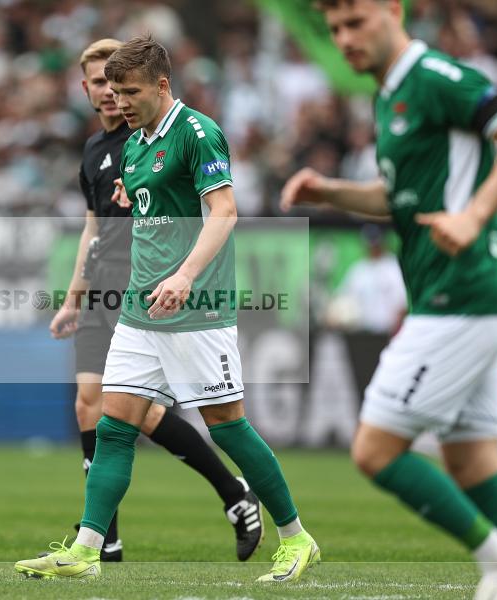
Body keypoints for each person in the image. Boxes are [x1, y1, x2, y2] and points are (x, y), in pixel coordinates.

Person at [280, 2, 497, 599]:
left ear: (393, 10)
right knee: (471, 464)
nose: (344, 39)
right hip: (467, 301)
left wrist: (475, 214)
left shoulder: (435, 78)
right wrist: (331, 191)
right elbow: (399, 199)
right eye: (335, 29)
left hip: (457, 297)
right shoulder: (390, 96)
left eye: (356, 22)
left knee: (374, 450)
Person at [16, 34, 320, 583]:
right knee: (113, 427)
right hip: (140, 307)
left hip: (196, 308)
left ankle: (296, 538)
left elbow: (224, 213)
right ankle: (87, 551)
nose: (120, 101)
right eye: (112, 90)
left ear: (162, 84)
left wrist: (184, 275)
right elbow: (153, 213)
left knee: (226, 428)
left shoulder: (198, 133)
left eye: (130, 90)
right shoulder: (133, 144)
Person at [45, 39, 264, 563]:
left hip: (147, 283)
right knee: (90, 404)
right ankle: (107, 537)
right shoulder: (95, 151)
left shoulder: (154, 136)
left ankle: (232, 493)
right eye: (100, 84)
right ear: (87, 89)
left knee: (130, 413)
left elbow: (211, 208)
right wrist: (75, 292)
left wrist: (185, 273)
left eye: (117, 85)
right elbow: (93, 224)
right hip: (103, 285)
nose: (110, 95)